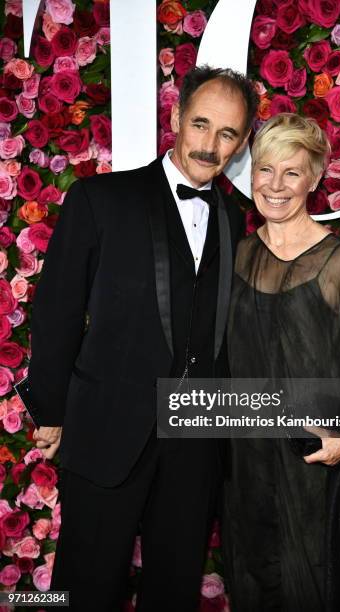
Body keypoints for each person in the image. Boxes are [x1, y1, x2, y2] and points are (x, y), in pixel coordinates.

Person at [22, 66, 258, 611]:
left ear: (243, 142)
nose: (210, 144)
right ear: (175, 118)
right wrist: (52, 412)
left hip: (196, 442)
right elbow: (58, 309)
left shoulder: (237, 219)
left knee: (173, 589)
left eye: (227, 133)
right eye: (200, 124)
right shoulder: (99, 199)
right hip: (107, 426)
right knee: (84, 586)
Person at [222, 113, 340, 611]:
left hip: (321, 471)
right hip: (249, 472)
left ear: (315, 178)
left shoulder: (339, 263)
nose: (275, 185)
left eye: (292, 172)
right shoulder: (234, 257)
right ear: (250, 174)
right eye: (265, 170)